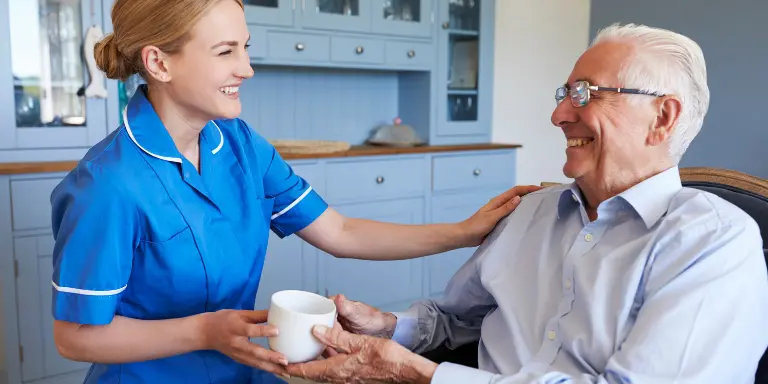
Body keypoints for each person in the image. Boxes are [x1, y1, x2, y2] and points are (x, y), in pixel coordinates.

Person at [48, 0, 540, 383]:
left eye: (245, 46)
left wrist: (462, 232)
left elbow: (342, 231)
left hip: (245, 371)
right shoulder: (107, 184)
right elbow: (74, 337)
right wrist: (202, 330)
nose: (247, 68)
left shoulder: (241, 147)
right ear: (159, 62)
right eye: (226, 52)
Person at [284, 23, 768, 384]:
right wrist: (389, 325)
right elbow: (457, 319)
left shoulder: (713, 242)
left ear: (662, 117)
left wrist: (422, 376)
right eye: (565, 93)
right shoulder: (533, 211)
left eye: (585, 94)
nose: (559, 114)